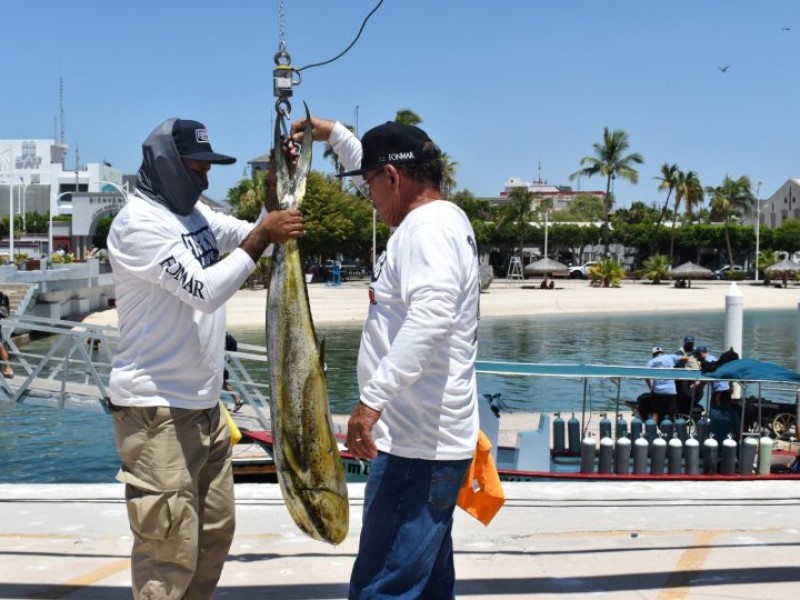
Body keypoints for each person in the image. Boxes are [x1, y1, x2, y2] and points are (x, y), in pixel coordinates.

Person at [107, 118, 304, 600]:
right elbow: (206, 291)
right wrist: (264, 237)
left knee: (214, 535)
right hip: (157, 412)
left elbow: (247, 232)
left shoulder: (193, 214)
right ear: (168, 167)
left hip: (205, 408)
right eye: (198, 169)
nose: (205, 180)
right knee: (168, 554)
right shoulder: (139, 224)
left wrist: (274, 195)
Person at [292, 117, 480, 599]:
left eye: (371, 185)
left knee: (382, 587)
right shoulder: (443, 218)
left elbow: (432, 318)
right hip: (432, 443)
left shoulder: (425, 231)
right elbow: (373, 167)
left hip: (413, 447)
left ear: (393, 178)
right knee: (427, 585)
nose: (368, 198)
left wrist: (370, 403)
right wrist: (332, 134)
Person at [695, 346, 739, 439]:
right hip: (725, 390)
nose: (697, 359)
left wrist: (695, 387)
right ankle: (724, 431)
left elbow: (704, 380)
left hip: (719, 392)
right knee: (725, 411)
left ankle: (715, 432)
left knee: (716, 412)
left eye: (697, 356)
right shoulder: (713, 359)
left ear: (700, 354)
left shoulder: (707, 362)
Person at [644, 346, 687, 421]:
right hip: (671, 391)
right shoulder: (669, 357)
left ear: (653, 355)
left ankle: (653, 430)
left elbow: (646, 376)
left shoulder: (651, 362)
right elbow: (686, 358)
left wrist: (650, 388)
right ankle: (672, 430)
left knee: (655, 412)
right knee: (672, 414)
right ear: (662, 352)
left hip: (658, 391)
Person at [675, 334, 702, 418]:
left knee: (698, 396)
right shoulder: (679, 352)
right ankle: (682, 415)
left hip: (695, 379)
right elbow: (677, 367)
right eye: (688, 343)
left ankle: (692, 415)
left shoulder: (697, 351)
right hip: (683, 381)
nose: (689, 345)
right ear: (684, 343)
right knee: (683, 398)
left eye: (691, 343)